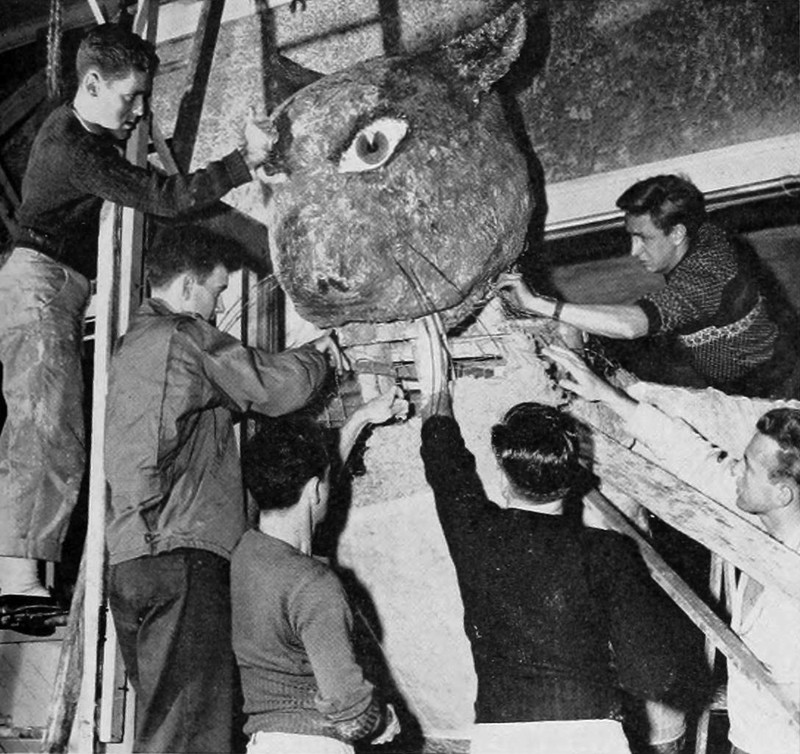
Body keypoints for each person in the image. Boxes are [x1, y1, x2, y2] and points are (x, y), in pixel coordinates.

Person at [0, 22, 274, 632]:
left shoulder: (80, 133)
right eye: (131, 97)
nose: (140, 111)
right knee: (45, 429)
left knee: (49, 428)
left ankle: (22, 579)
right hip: (39, 287)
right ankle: (16, 584)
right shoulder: (77, 149)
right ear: (93, 84)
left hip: (46, 286)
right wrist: (244, 161)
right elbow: (168, 198)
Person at [104, 225, 342, 753]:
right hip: (182, 556)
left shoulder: (132, 347)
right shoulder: (184, 336)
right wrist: (319, 357)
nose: (217, 307)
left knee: (166, 731)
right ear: (188, 286)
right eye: (215, 292)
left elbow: (207, 409)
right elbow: (276, 387)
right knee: (192, 739)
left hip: (129, 562)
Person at [413, 316, 695, 754]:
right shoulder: (609, 551)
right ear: (570, 481)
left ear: (504, 478)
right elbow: (654, 676)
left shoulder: (475, 534)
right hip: (590, 738)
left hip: (502, 738)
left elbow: (445, 462)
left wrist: (436, 391)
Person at [545, 343, 800, 754]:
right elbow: (695, 459)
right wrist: (609, 395)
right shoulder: (762, 522)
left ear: (782, 493)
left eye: (749, 467)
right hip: (747, 738)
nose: (736, 469)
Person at [497, 174, 796, 398]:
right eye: (631, 236)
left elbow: (631, 326)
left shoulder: (704, 279)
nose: (633, 250)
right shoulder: (703, 235)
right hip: (733, 369)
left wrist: (537, 303)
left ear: (677, 233)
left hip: (774, 388)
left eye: (643, 238)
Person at [232, 389, 407, 754]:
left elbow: (305, 491)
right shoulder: (313, 585)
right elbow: (351, 714)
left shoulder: (245, 554)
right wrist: (382, 720)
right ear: (314, 489)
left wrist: (361, 418)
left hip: (266, 743)